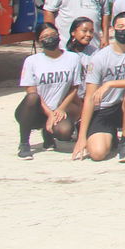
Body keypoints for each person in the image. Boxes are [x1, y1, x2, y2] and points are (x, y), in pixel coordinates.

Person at [73, 11, 125, 163]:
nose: (124, 30)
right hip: (103, 109)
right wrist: (82, 137)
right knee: (97, 154)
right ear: (112, 29)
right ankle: (110, 137)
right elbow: (90, 98)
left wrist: (110, 83)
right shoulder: (99, 58)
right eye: (121, 26)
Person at [16, 26, 81, 158]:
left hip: (58, 108)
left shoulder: (73, 58)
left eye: (52, 34)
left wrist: (61, 109)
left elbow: (74, 87)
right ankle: (24, 143)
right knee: (32, 98)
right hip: (35, 110)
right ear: (39, 41)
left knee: (64, 132)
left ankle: (49, 135)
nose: (50, 39)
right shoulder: (32, 61)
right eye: (45, 37)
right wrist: (49, 114)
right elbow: (30, 90)